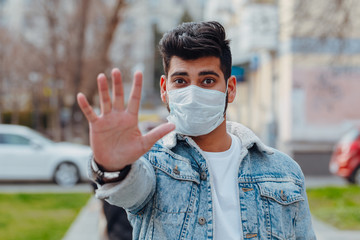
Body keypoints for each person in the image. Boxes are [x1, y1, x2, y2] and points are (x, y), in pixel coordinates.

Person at [77, 21, 316, 239]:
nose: (193, 94)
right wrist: (113, 167)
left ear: (230, 88)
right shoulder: (150, 164)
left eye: (208, 81)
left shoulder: (285, 172)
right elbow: (126, 192)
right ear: (164, 89)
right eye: (180, 81)